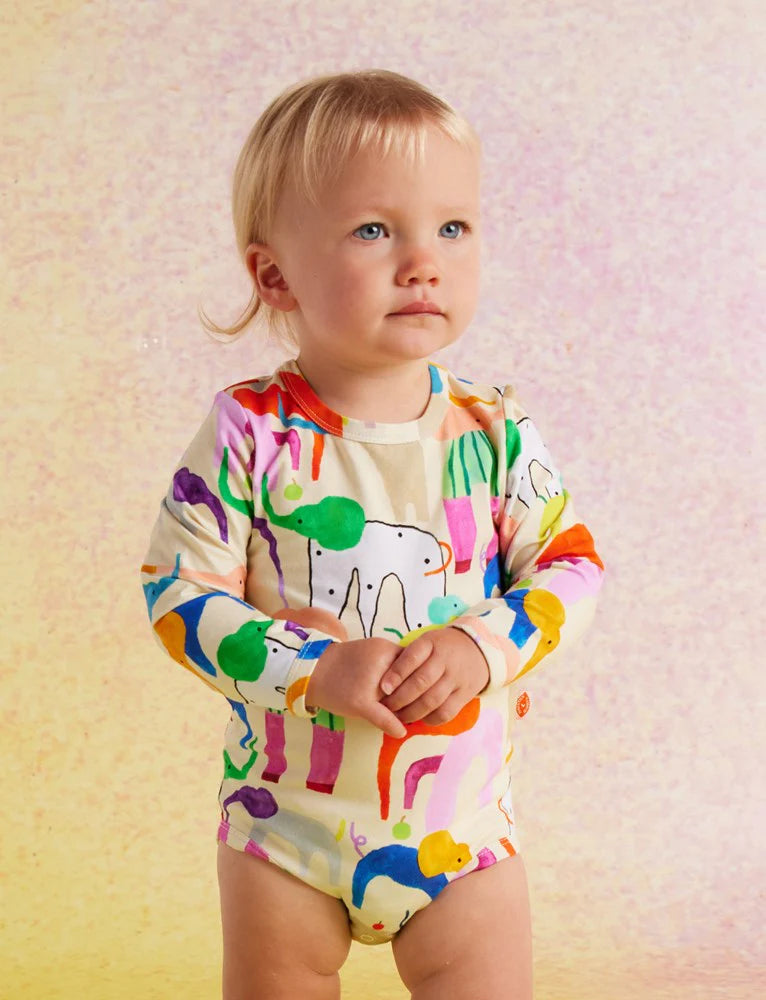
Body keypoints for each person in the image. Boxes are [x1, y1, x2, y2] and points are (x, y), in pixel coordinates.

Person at [141, 68, 605, 1000]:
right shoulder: (249, 431)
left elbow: (571, 567)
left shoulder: (495, 433)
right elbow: (176, 594)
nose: (423, 261)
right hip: (283, 828)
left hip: (460, 832)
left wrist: (481, 646)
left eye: (452, 227)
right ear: (275, 275)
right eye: (372, 230)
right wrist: (312, 670)